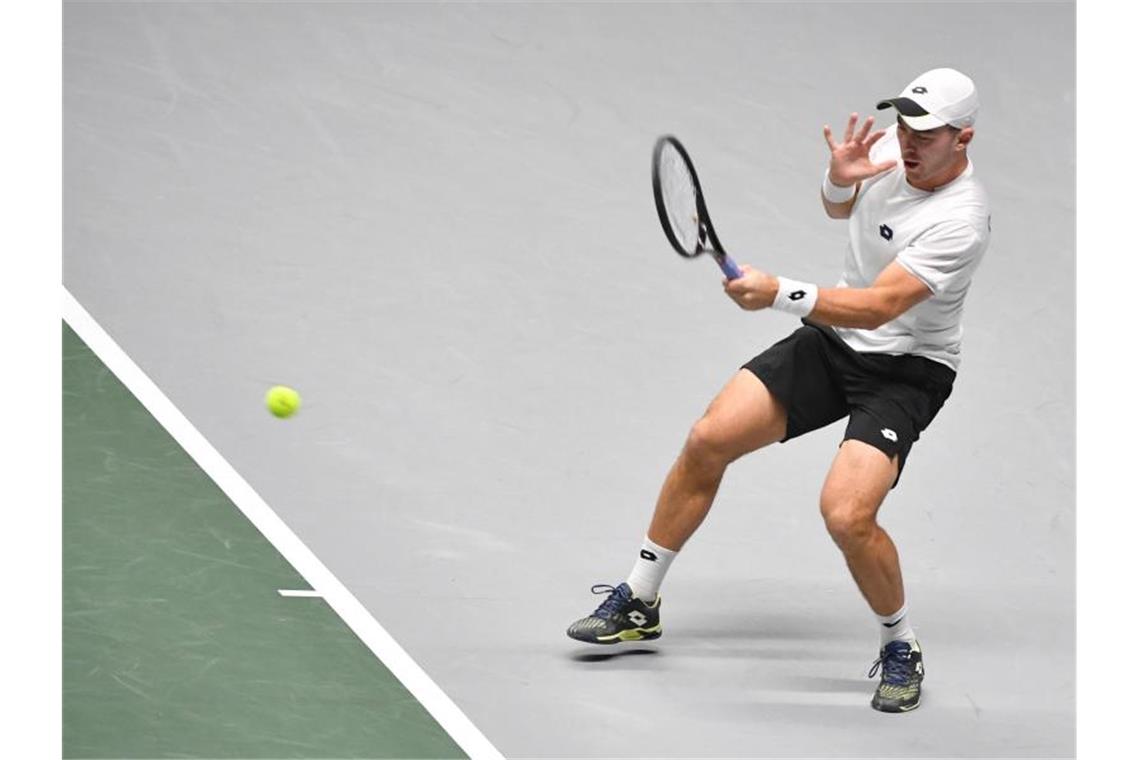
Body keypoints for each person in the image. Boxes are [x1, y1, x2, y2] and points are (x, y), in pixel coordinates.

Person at [567, 68, 991, 714]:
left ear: (963, 139)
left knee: (847, 515)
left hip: (907, 367)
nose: (907, 141)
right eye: (904, 124)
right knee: (708, 439)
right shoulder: (884, 146)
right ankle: (640, 599)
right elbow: (838, 205)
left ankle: (900, 643)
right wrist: (838, 180)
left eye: (926, 134)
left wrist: (780, 295)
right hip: (832, 341)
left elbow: (880, 308)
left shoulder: (960, 220)